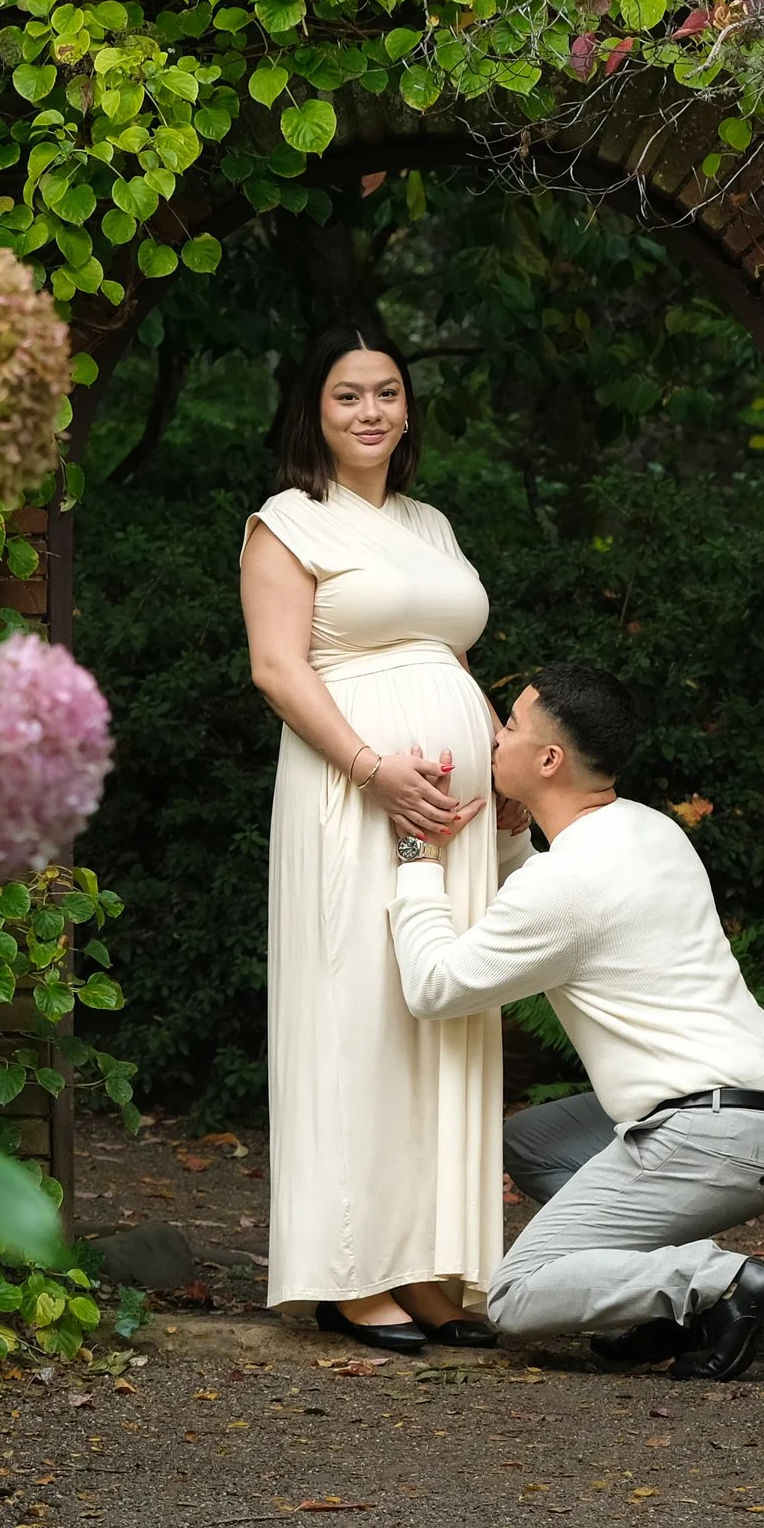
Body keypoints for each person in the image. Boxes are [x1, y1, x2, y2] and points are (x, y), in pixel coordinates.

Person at [384, 663, 764, 1381]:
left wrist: (414, 855)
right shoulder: (648, 831)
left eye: (513, 724)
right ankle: (653, 1311)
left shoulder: (569, 883)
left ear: (549, 760)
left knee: (516, 1294)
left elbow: (435, 985)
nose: (497, 734)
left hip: (708, 1133)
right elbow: (557, 902)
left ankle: (719, 1283)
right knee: (531, 1143)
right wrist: (512, 837)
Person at [239, 324, 523, 1353]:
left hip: (451, 810)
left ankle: (431, 1264)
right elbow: (278, 669)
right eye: (348, 394)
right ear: (313, 409)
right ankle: (350, 1268)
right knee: (357, 1011)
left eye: (388, 392)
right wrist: (374, 770)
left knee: (442, 1015)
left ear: (408, 407)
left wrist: (507, 768)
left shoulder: (431, 522)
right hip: (350, 797)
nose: (370, 411)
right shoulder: (285, 522)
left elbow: (445, 660)